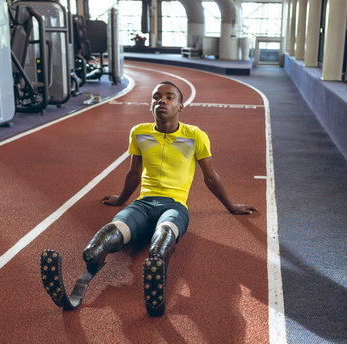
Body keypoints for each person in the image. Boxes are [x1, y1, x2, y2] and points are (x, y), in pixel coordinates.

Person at [82, 81, 256, 316]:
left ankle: (156, 269)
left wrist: (232, 206)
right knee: (112, 230)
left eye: (169, 97)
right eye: (156, 97)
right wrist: (121, 200)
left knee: (164, 235)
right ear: (150, 105)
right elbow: (134, 173)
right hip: (142, 204)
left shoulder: (195, 136)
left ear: (181, 105)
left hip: (174, 206)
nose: (161, 100)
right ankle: (94, 255)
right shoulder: (139, 132)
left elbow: (211, 177)